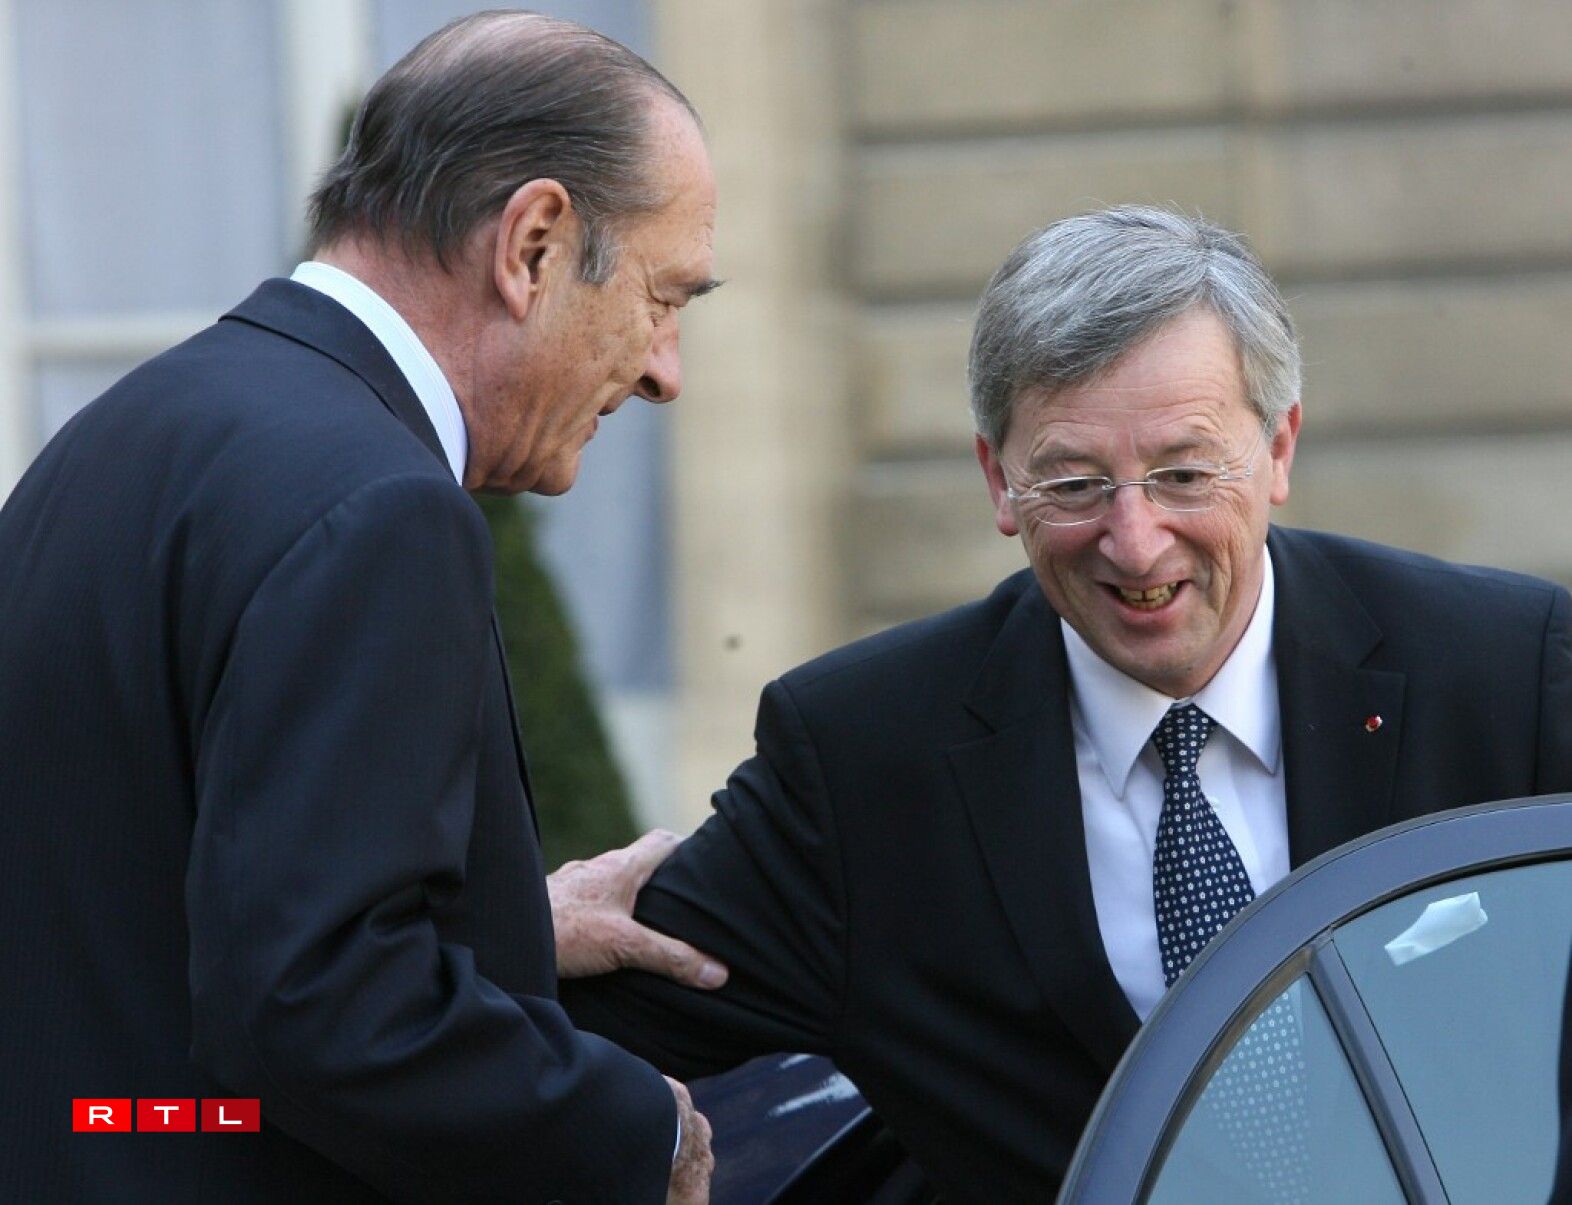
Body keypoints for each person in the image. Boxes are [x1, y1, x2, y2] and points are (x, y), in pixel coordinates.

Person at [554, 206, 1572, 1202]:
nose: (1134, 541)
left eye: (1182, 472)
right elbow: (546, 1040)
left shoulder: (1501, 673)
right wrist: (516, 932)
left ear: (1279, 449)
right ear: (999, 479)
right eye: (1075, 484)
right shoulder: (866, 759)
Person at [0, 12, 727, 1203]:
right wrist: (635, 1125)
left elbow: (135, 899)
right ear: (534, 243)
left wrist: (503, 929)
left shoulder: (123, 435)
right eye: (662, 296)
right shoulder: (385, 510)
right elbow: (320, 1009)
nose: (664, 367)